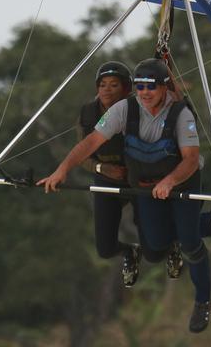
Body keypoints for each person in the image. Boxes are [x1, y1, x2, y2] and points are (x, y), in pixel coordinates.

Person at [38, 58, 211, 333]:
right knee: (157, 245)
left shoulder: (180, 113)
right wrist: (62, 169)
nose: (145, 92)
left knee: (188, 243)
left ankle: (202, 301)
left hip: (182, 181)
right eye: (139, 86)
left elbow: (190, 160)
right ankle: (210, 222)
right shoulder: (123, 109)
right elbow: (90, 142)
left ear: (164, 87)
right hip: (146, 185)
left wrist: (170, 181)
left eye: (151, 86)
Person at [77, 61, 143, 288]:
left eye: (114, 85)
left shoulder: (139, 108)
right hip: (106, 176)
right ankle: (129, 252)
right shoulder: (88, 112)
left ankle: (169, 244)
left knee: (151, 235)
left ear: (126, 89)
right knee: (104, 249)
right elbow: (82, 154)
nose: (106, 89)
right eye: (102, 85)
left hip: (137, 177)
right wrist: (101, 168)